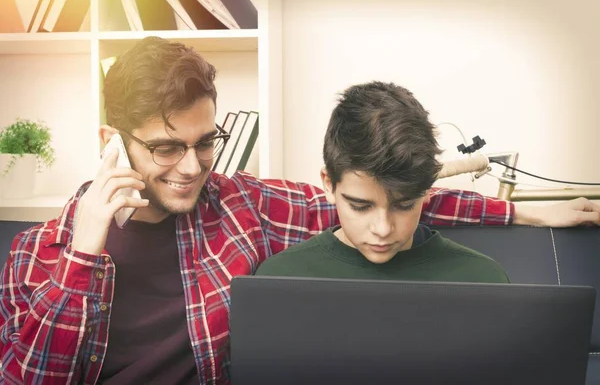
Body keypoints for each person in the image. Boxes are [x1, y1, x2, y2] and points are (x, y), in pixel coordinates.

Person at [0, 36, 598, 385]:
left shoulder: (239, 207)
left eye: (206, 141)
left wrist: (529, 216)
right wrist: (83, 255)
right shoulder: (38, 253)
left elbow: (378, 192)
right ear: (111, 140)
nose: (191, 166)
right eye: (165, 147)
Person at [255, 81, 510, 283]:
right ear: (329, 184)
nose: (383, 229)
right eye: (360, 206)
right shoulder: (278, 279)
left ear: (428, 189)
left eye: (404, 205)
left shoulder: (483, 280)